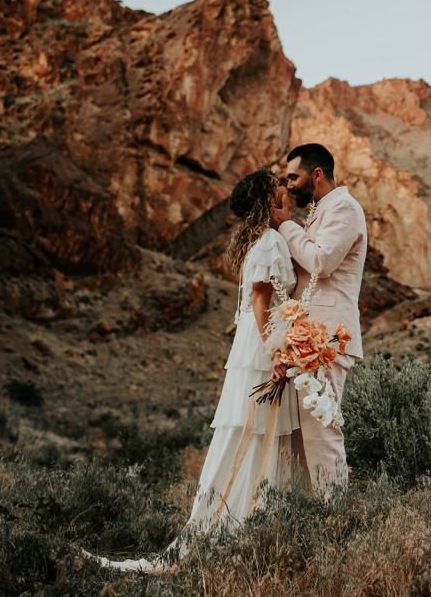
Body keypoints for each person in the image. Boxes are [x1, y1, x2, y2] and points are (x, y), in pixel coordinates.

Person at [86, 169, 300, 572]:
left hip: (257, 345)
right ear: (267, 201)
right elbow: (260, 302)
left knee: (257, 435)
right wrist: (275, 351)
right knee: (257, 434)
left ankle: (244, 525)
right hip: (262, 348)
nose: (285, 192)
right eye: (278, 189)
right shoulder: (270, 241)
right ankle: (240, 528)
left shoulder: (262, 240)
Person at [273, 143, 367, 496]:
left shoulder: (344, 208)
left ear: (317, 174)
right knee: (302, 436)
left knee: (321, 428)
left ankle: (334, 512)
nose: (290, 185)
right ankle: (311, 510)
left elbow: (321, 262)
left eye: (293, 177)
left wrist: (286, 225)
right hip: (307, 337)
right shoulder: (321, 211)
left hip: (328, 337)